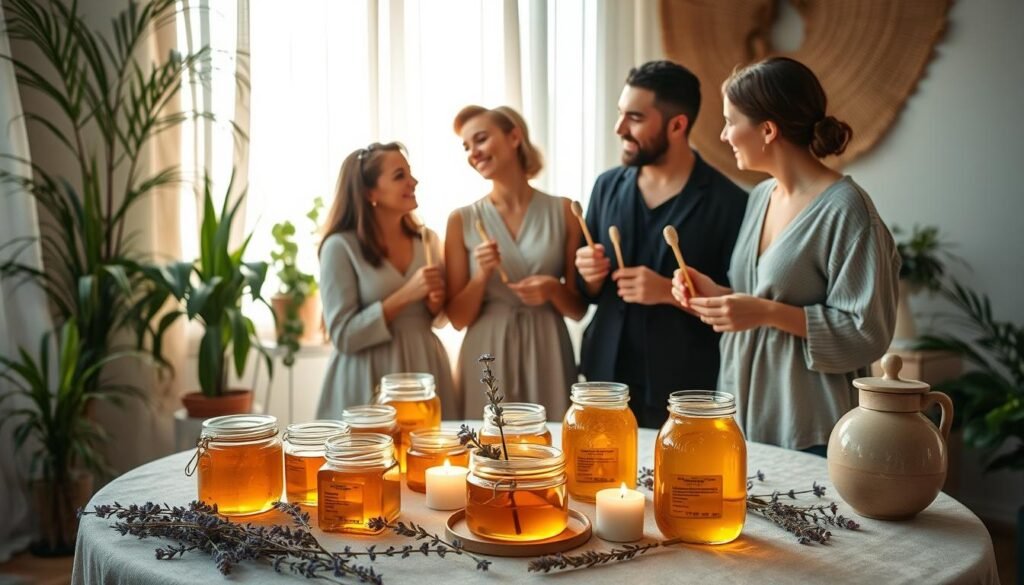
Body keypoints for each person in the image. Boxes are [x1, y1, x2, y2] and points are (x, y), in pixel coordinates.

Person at [672, 57, 900, 452]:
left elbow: (868, 332)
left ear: (767, 129)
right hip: (741, 407)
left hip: (806, 418)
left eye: (730, 121)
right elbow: (761, 296)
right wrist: (716, 294)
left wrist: (764, 312)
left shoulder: (848, 211)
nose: (724, 135)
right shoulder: (761, 196)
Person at [575, 60, 748, 428]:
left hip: (685, 390)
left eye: (634, 117)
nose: (619, 128)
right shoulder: (606, 186)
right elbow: (585, 294)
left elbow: (741, 305)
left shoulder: (730, 203)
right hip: (604, 379)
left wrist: (667, 292)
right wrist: (589, 274)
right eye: (621, 114)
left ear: (676, 125)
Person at [445, 105, 586, 419]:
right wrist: (481, 276)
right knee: (488, 451)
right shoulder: (461, 220)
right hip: (486, 349)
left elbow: (577, 309)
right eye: (466, 147)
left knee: (551, 450)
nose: (473, 153)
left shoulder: (564, 211)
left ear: (514, 137)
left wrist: (552, 289)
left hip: (547, 345)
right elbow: (456, 318)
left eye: (480, 139)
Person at [316, 142, 457, 419]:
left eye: (410, 173)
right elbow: (343, 335)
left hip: (425, 371)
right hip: (367, 378)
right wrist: (407, 294)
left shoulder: (428, 241)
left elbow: (439, 319)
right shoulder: (339, 248)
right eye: (399, 175)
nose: (413, 181)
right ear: (370, 192)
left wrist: (436, 304)